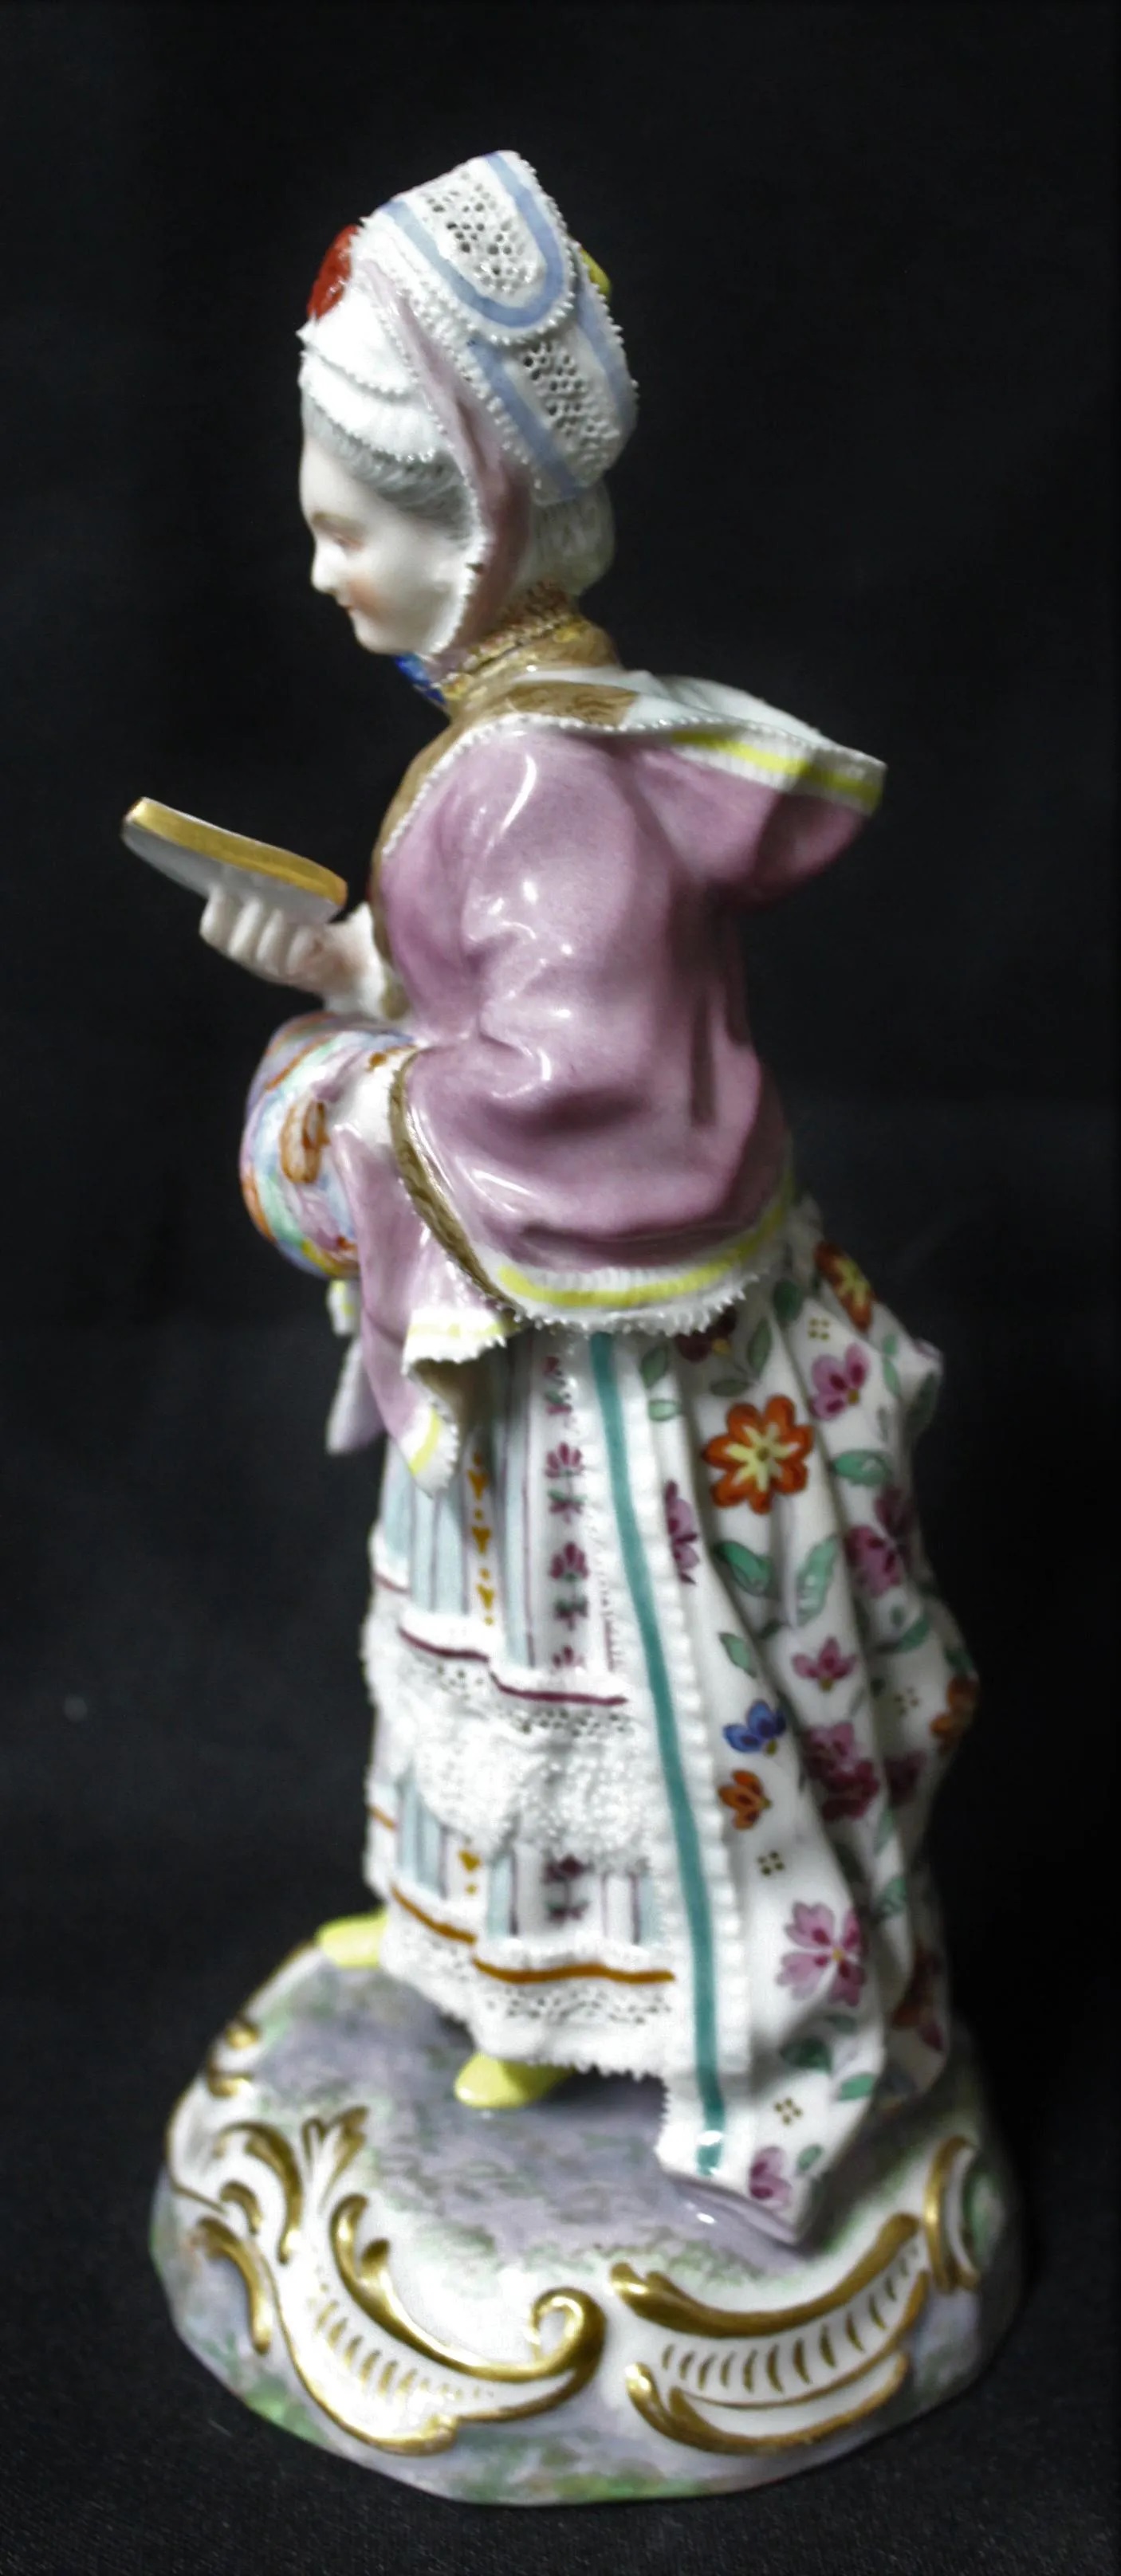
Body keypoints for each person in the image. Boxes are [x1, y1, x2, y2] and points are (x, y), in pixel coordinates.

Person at [212, 151, 977, 2244]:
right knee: (524, 1689)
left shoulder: (535, 770)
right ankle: (519, 1991)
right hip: (534, 1369)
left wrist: (336, 1102)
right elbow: (513, 1011)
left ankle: (699, 2034)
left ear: (475, 530)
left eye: (349, 531)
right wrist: (353, 967)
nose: (321, 572)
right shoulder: (529, 736)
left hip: (603, 1381)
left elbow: (582, 1095)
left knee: (641, 1701)